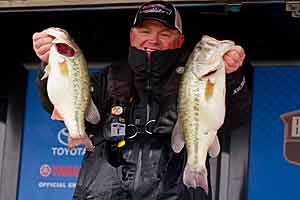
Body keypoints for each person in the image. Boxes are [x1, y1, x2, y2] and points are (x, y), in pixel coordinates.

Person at [32, 1, 250, 199]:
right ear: (132, 36)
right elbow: (59, 102)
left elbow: (235, 114)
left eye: (164, 34)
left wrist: (230, 77)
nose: (152, 40)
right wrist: (49, 63)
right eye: (144, 31)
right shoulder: (109, 77)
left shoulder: (194, 78)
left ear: (180, 40)